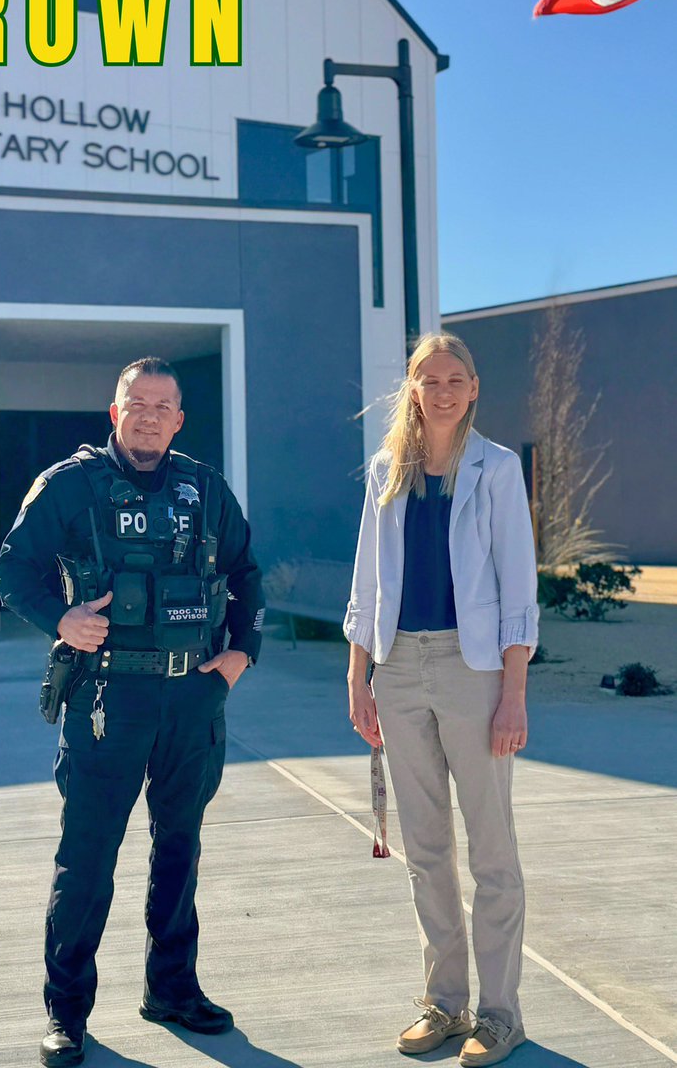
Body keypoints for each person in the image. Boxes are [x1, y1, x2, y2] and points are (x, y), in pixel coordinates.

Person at [0, 357, 264, 1067]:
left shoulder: (206, 489)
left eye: (162, 406)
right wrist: (62, 620)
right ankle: (66, 1013)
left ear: (179, 420)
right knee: (87, 856)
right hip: (107, 698)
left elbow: (245, 573)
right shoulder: (69, 485)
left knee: (180, 846)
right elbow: (12, 570)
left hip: (192, 696)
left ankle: (172, 988)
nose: (148, 416)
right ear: (114, 413)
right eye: (135, 404)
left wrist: (242, 652)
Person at [345, 333, 538, 1067]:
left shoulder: (497, 469)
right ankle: (446, 1004)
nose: (445, 391)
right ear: (413, 388)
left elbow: (518, 590)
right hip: (397, 669)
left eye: (457, 379)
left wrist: (513, 695)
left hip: (472, 668)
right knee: (425, 850)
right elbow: (367, 582)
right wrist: (359, 676)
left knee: (492, 852)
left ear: (474, 388)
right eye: (431, 379)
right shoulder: (386, 469)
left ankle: (500, 1014)